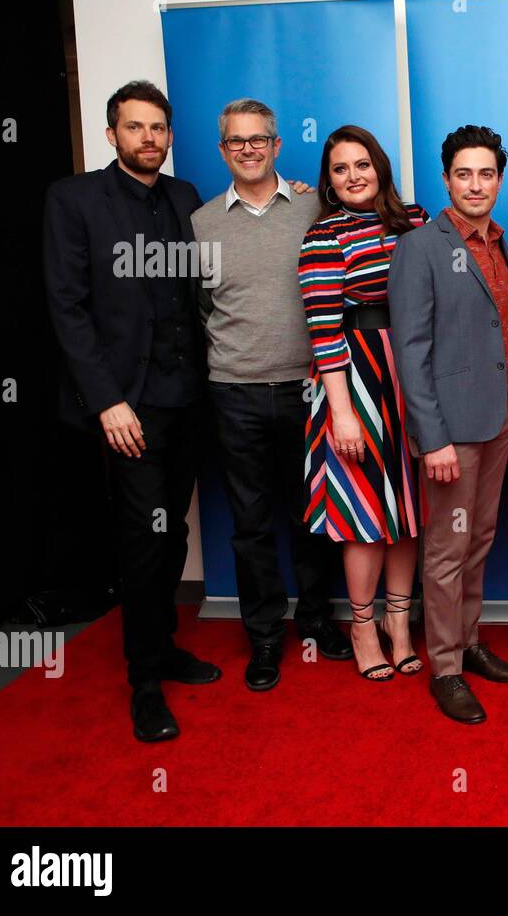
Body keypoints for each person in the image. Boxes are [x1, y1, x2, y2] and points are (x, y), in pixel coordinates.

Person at [44, 80, 221, 743]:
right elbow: (67, 307)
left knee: (171, 531)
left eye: (158, 128)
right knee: (144, 540)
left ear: (170, 137)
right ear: (111, 134)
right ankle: (144, 679)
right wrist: (108, 402)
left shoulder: (183, 197)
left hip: (189, 399)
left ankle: (164, 646)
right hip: (129, 408)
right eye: (134, 127)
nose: (148, 137)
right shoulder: (73, 199)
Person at [191, 98, 350, 692]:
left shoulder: (314, 205)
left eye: (260, 139)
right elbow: (204, 308)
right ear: (223, 149)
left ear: (278, 146)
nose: (249, 149)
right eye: (237, 141)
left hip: (309, 389)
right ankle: (263, 636)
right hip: (234, 393)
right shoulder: (202, 225)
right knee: (251, 522)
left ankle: (317, 621)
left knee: (311, 515)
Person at [388, 125, 508, 724]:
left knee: (479, 542)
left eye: (486, 173)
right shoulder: (420, 248)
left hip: (496, 423)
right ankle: (445, 667)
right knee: (446, 552)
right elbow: (411, 350)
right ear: (446, 180)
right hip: (451, 432)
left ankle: (468, 643)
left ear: (499, 179)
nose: (476, 184)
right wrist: (432, 436)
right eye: (463, 174)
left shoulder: (498, 243)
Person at [298, 125, 427, 682]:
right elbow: (323, 327)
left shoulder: (417, 222)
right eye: (340, 169)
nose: (353, 177)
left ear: (380, 167)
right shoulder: (323, 237)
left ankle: (400, 624)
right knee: (363, 514)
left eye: (362, 165)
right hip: (352, 378)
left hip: (413, 372)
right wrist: (343, 410)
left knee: (407, 512)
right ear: (329, 182)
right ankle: (362, 626)